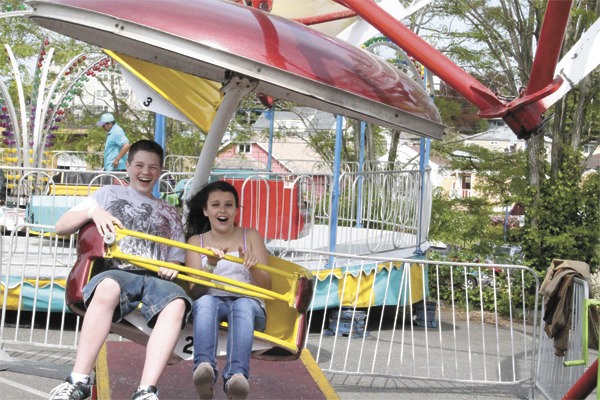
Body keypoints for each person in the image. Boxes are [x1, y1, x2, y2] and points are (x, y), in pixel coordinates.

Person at [49, 140, 192, 400]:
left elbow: (176, 259)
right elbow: (61, 226)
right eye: (139, 165)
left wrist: (171, 268)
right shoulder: (107, 194)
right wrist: (94, 212)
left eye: (153, 167)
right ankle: (77, 379)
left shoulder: (170, 212)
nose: (145, 172)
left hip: (153, 277)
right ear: (128, 167)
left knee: (177, 302)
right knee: (107, 287)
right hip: (118, 271)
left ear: (160, 172)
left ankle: (146, 390)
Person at [184, 180, 271, 400]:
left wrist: (253, 267)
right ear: (206, 211)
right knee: (205, 303)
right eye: (215, 205)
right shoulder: (196, 241)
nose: (222, 210)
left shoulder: (250, 236)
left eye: (229, 205)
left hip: (249, 304)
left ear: (235, 210)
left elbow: (266, 287)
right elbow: (195, 291)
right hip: (211, 303)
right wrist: (211, 264)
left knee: (242, 305)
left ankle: (236, 377)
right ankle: (204, 369)